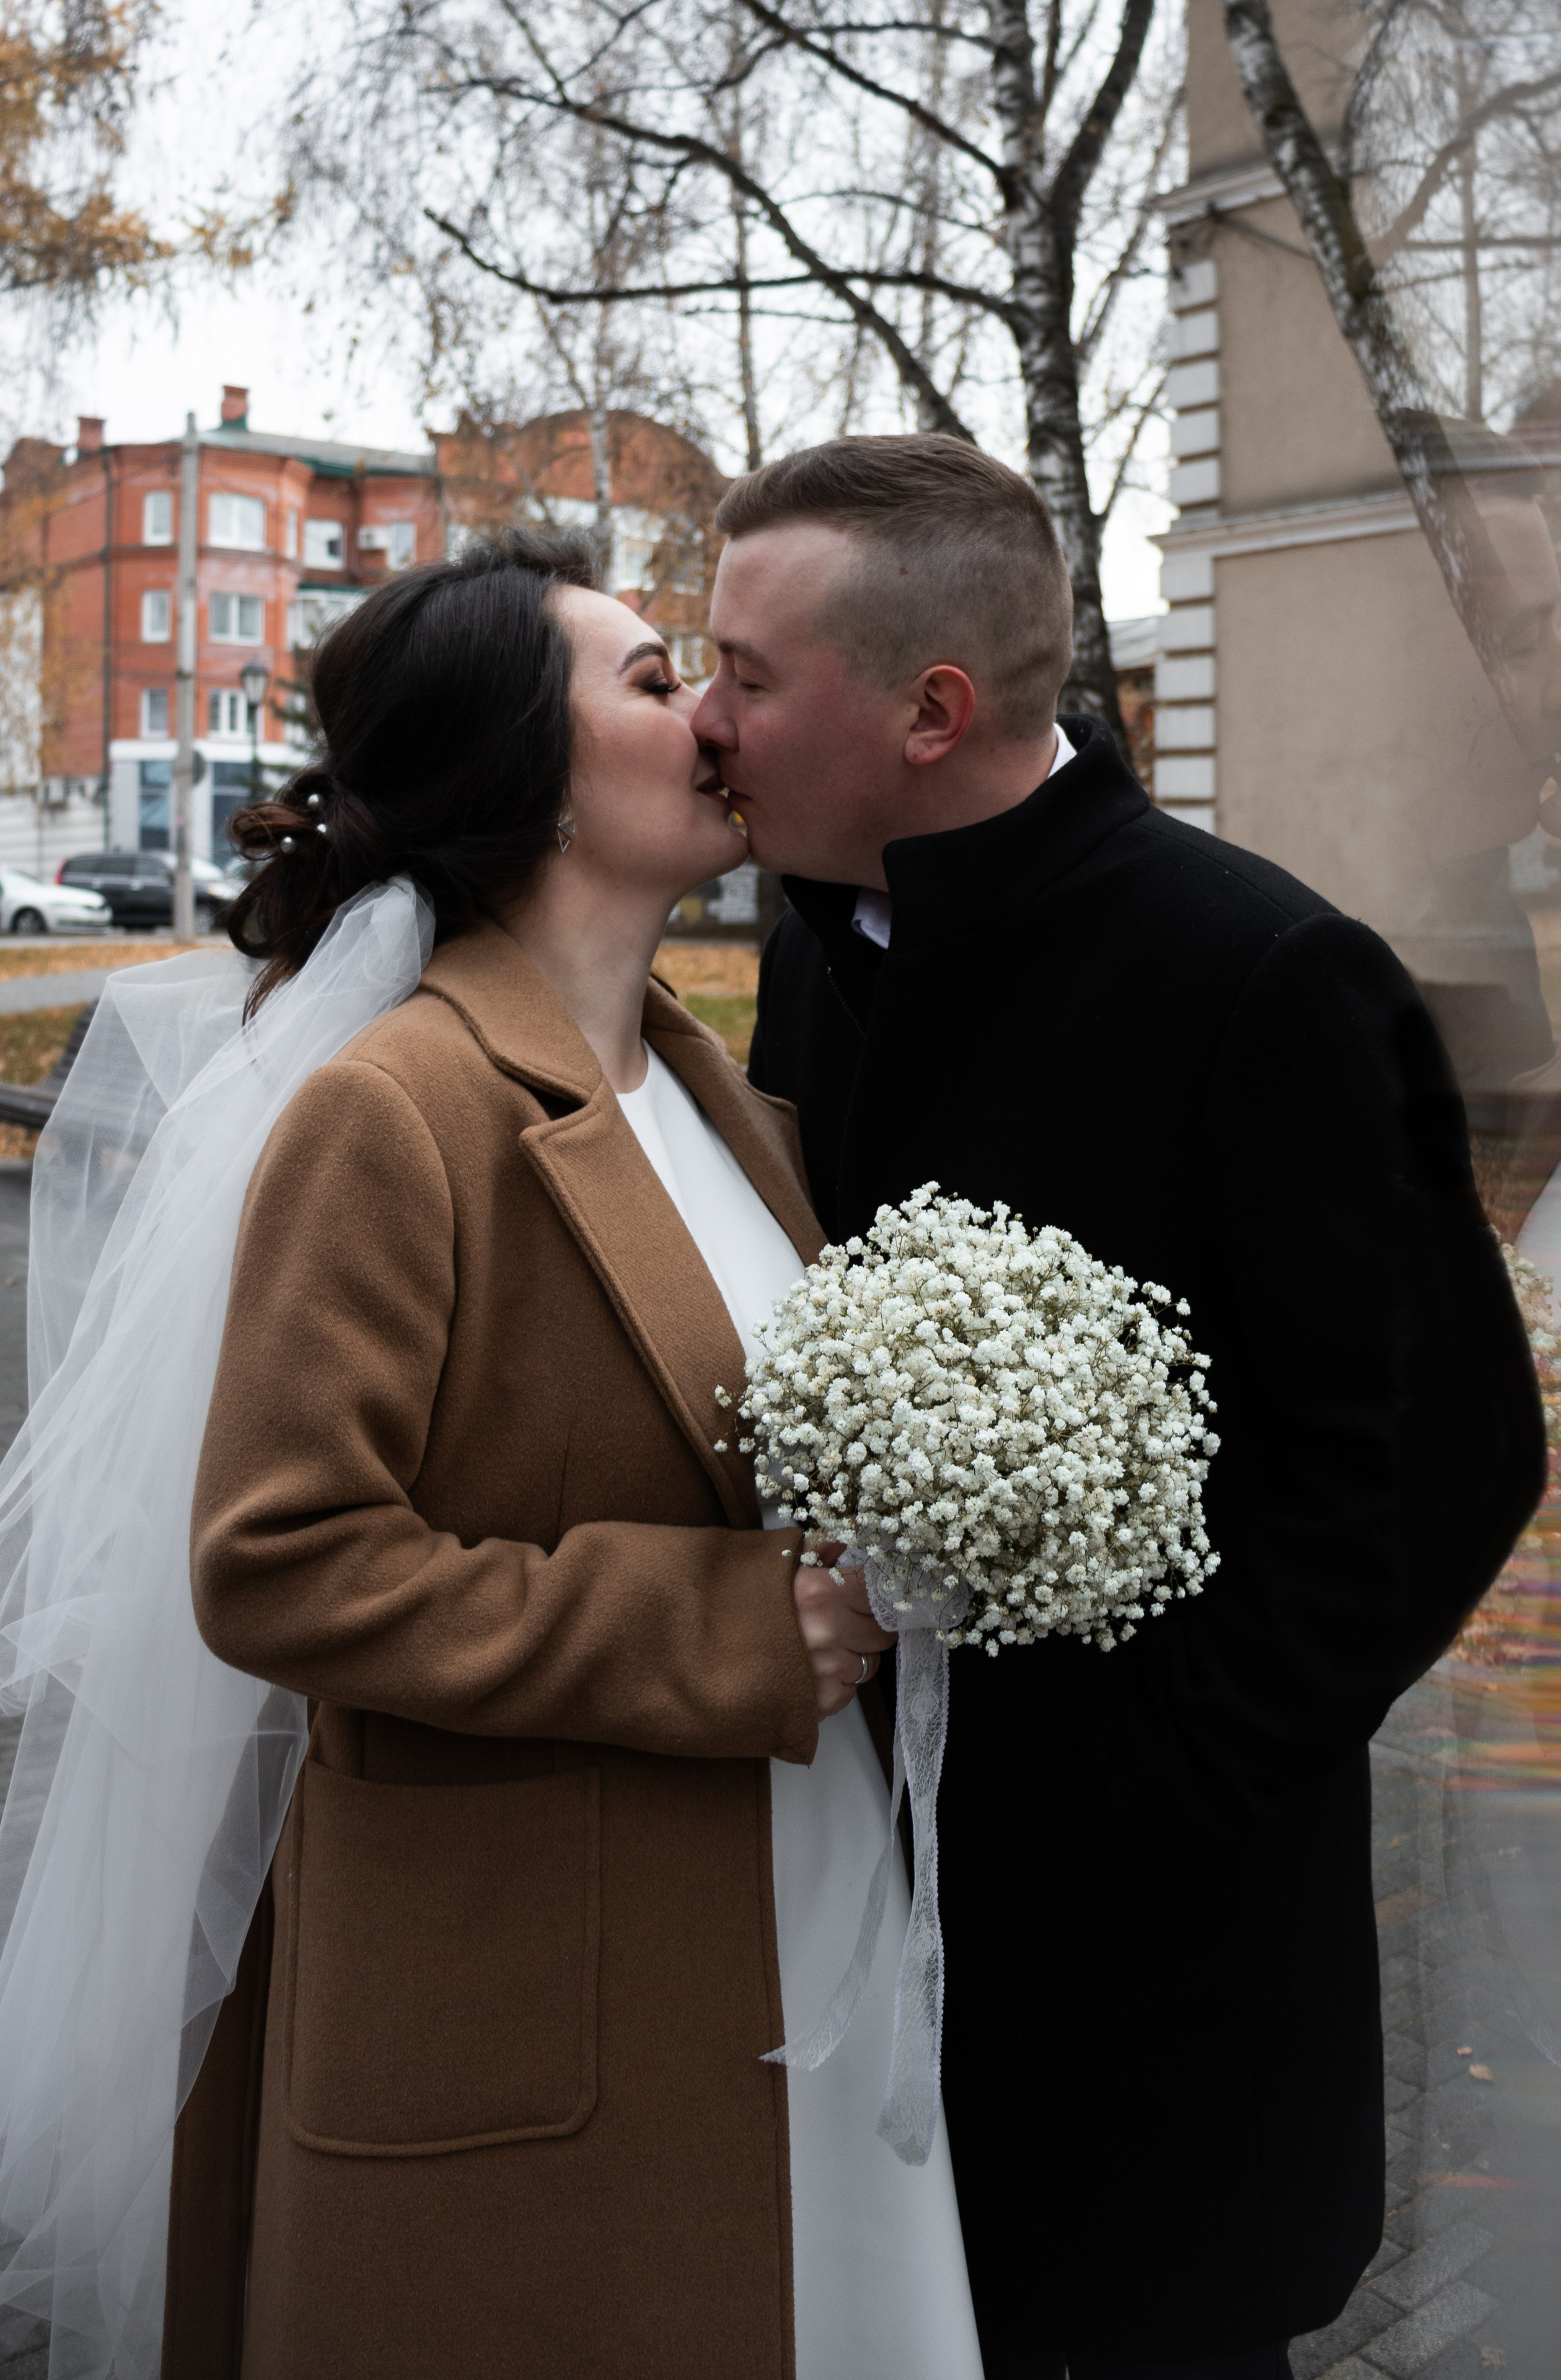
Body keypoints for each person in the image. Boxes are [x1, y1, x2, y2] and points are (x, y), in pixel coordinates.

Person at [0, 529, 985, 2380]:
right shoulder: (401, 1110)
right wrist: (729, 1633)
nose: (705, 714)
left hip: (798, 1929)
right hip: (548, 2007)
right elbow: (282, 1563)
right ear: (520, 769)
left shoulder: (719, 1091)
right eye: (644, 679)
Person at [691, 433, 1547, 2380]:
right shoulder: (820, 952)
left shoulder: (1268, 974)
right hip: (875, 1907)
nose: (707, 717)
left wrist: (1149, 1774)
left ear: (932, 708)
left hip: (1167, 1957)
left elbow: (1444, 1454)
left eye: (747, 671)